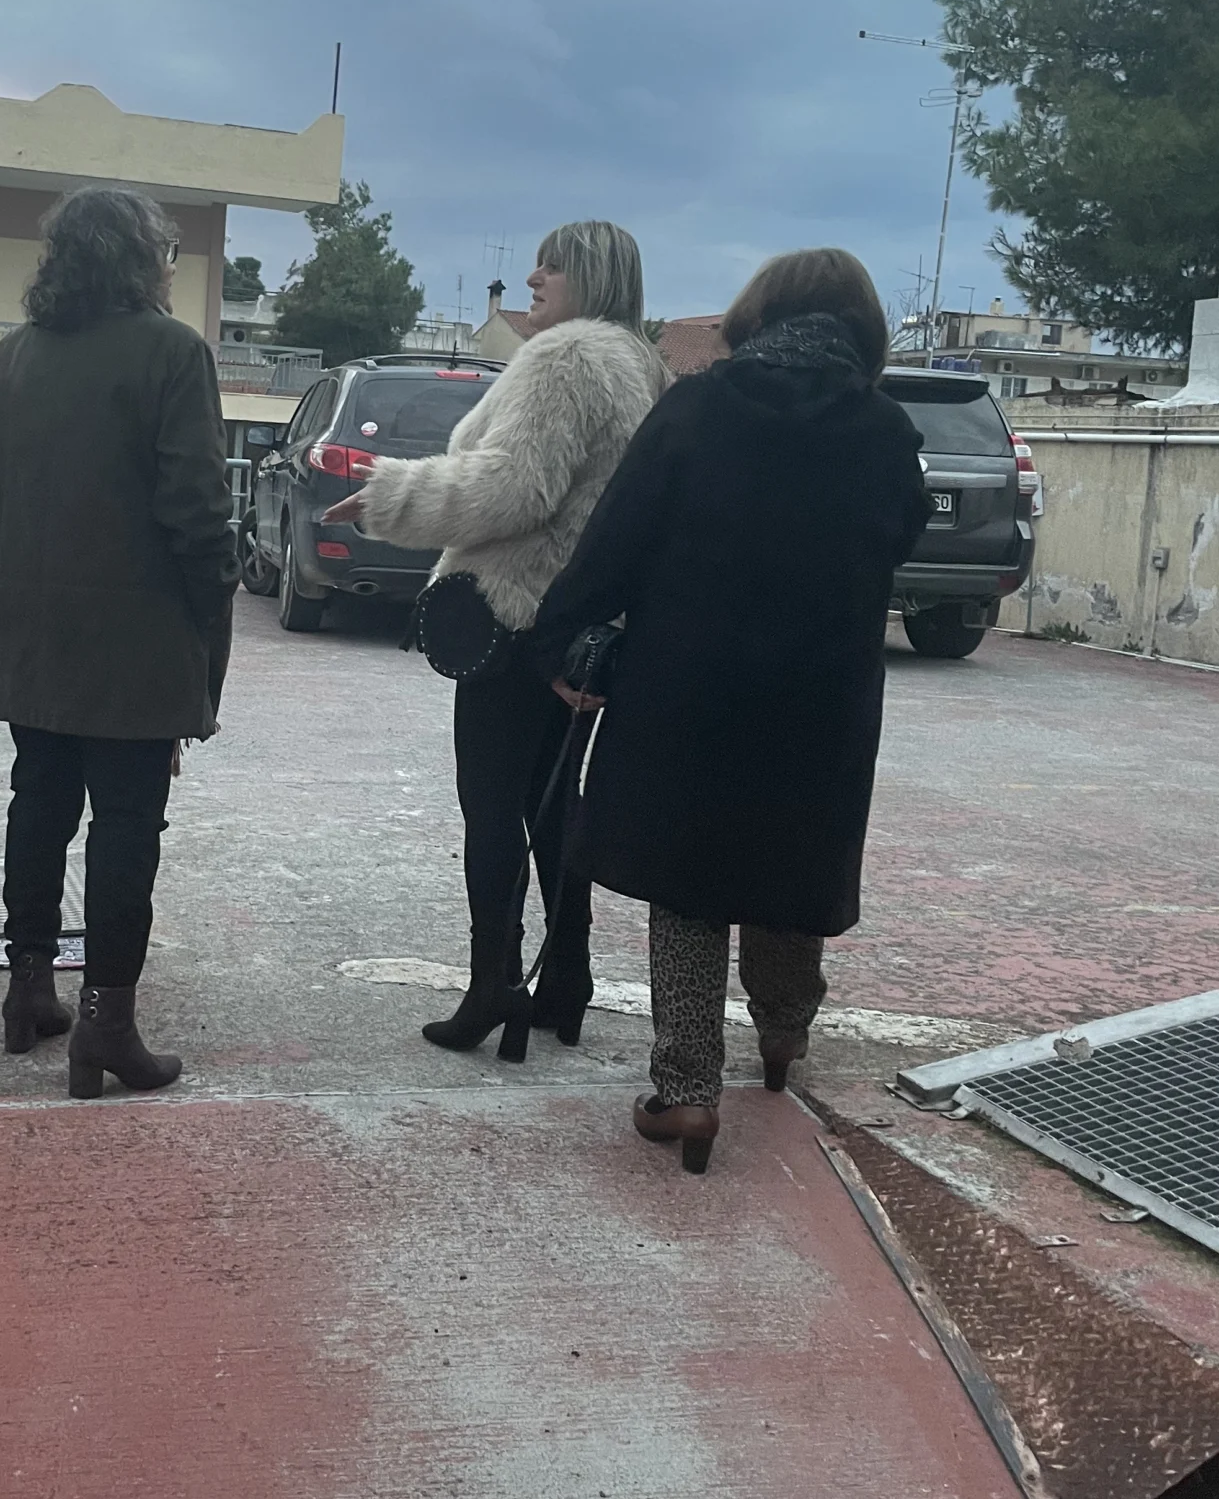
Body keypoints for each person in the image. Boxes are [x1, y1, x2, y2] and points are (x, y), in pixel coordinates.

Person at [531, 248, 930, 1174]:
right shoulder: (882, 429)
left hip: (686, 687)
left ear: (757, 313)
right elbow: (899, 536)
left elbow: (618, 536)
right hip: (819, 692)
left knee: (687, 883)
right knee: (791, 862)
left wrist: (560, 639)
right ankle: (783, 1032)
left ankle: (685, 1092)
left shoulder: (696, 407)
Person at [322, 220, 669, 1056]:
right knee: (553, 805)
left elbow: (515, 486)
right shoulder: (641, 367)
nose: (533, 277)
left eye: (552, 265)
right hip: (578, 627)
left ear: (590, 275)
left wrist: (389, 496)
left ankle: (493, 985)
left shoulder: (566, 357)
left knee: (491, 808)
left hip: (513, 613)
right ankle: (566, 977)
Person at [0, 184, 237, 1099]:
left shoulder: (12, 356)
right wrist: (211, 613)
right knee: (125, 826)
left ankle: (28, 989)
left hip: (28, 635)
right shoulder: (172, 352)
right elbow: (196, 508)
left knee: (37, 804)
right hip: (136, 639)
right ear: (141, 259)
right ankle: (106, 1023)